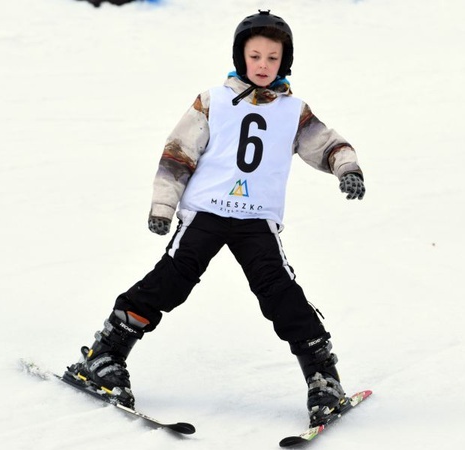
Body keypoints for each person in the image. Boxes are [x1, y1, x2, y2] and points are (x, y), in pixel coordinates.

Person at [64, 10, 366, 427]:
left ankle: (322, 378)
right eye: (255, 56)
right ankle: (105, 355)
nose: (262, 65)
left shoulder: (293, 111)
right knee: (171, 280)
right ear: (240, 56)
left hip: (256, 219)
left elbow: (327, 144)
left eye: (272, 58)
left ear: (285, 61)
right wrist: (163, 206)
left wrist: (346, 167)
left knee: (278, 291)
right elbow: (178, 154)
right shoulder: (213, 100)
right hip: (205, 211)